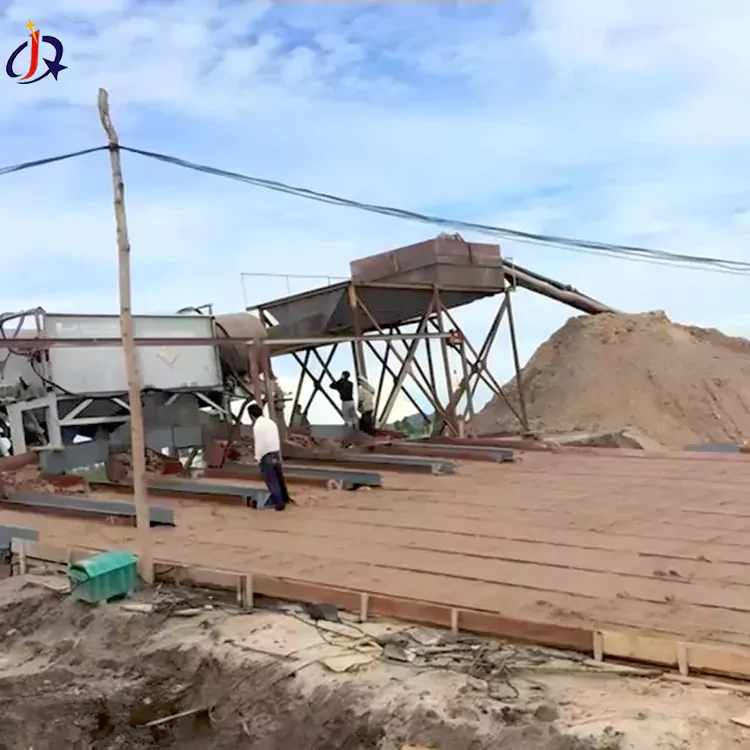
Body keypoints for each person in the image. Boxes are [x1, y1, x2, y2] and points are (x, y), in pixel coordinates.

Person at [247, 403, 290, 511]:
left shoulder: (257, 426)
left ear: (251, 415)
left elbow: (259, 443)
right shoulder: (271, 423)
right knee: (279, 478)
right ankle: (285, 498)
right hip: (276, 452)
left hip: (266, 455)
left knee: (271, 480)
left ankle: (279, 503)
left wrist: (257, 457)